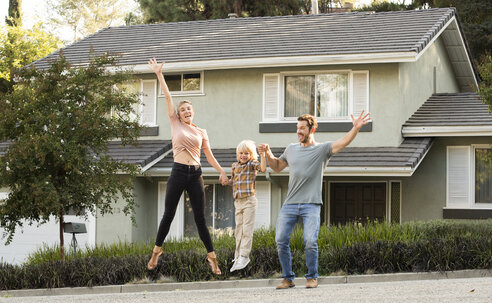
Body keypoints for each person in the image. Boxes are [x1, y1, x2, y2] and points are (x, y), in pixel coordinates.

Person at [259, 111, 370, 289]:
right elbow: (277, 167)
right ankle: (288, 278)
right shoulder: (291, 149)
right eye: (297, 128)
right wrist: (268, 153)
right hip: (290, 203)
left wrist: (355, 128)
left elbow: (343, 142)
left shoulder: (322, 149)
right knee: (280, 239)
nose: (299, 131)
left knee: (310, 241)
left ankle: (312, 276)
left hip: (311, 204)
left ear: (313, 129)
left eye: (302, 128)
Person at [146, 57, 229, 275]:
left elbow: (209, 155)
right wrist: (159, 74)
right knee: (169, 214)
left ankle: (212, 257)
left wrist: (221, 171)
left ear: (193, 112)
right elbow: (167, 95)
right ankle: (156, 251)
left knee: (200, 218)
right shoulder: (175, 123)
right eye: (183, 110)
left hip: (196, 174)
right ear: (179, 114)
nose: (186, 112)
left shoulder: (201, 132)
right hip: (178, 172)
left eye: (189, 109)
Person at [229, 140, 266, 272]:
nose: (243, 155)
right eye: (241, 153)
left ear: (251, 155)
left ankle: (245, 255)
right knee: (238, 230)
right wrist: (226, 181)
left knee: (247, 229)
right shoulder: (234, 166)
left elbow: (263, 169)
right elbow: (233, 182)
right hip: (238, 201)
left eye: (246, 153)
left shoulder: (252, 164)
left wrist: (262, 155)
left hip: (249, 201)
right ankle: (237, 256)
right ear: (237, 154)